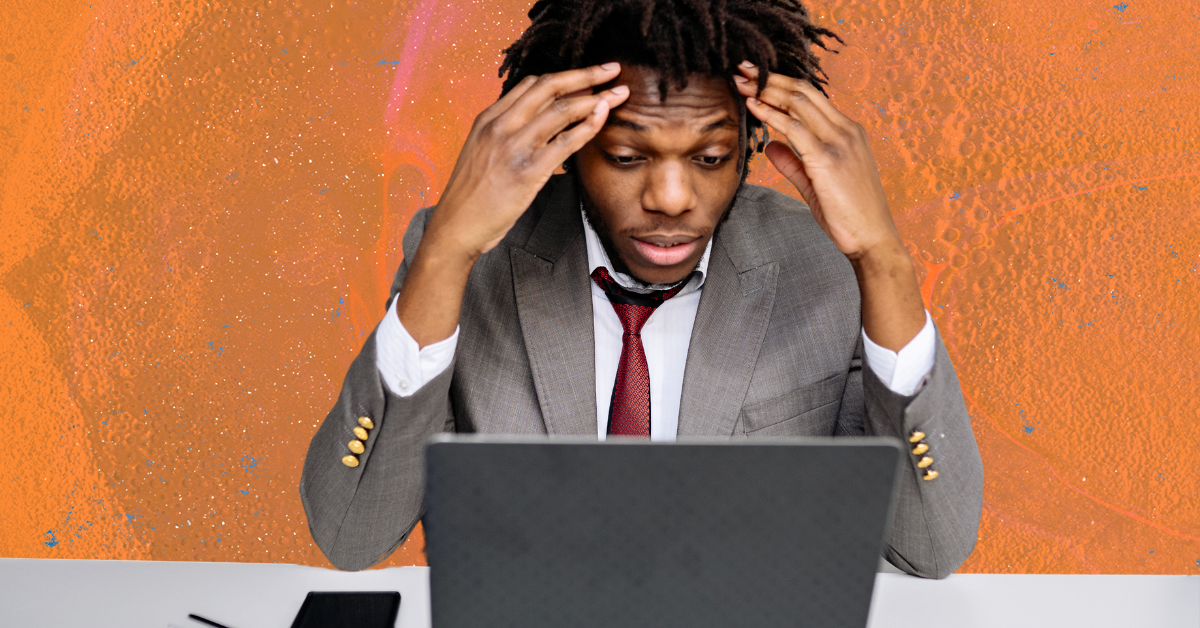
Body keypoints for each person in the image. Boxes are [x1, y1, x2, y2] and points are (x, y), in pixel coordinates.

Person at [300, 0, 984, 577]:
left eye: (711, 157)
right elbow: (351, 534)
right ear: (572, 143)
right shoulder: (464, 261)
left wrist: (884, 261)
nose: (671, 197)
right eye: (628, 158)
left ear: (750, 142)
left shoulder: (825, 264)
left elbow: (929, 549)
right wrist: (447, 252)